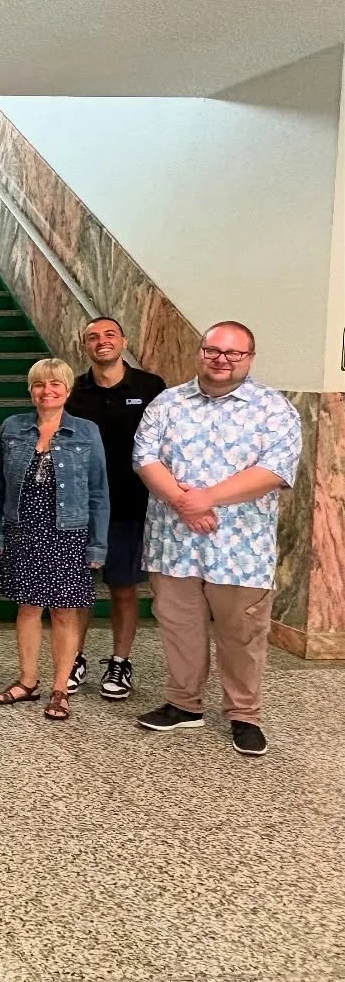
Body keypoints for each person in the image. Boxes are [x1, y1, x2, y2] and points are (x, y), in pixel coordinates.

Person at [132, 321, 302, 757]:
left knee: (241, 633)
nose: (221, 360)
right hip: (173, 543)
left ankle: (244, 715)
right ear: (200, 352)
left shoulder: (274, 408)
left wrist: (204, 498)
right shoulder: (167, 403)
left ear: (249, 357)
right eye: (213, 351)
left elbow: (275, 471)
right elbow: (145, 456)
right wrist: (181, 501)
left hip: (240, 549)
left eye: (233, 353)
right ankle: (183, 703)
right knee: (179, 629)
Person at [0, 359, 109, 721]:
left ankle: (60, 688)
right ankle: (27, 681)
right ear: (31, 390)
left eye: (55, 384)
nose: (47, 390)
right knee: (27, 608)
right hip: (23, 529)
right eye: (39, 384)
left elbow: (99, 491)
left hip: (68, 533)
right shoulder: (13, 427)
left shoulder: (86, 431)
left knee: (64, 611)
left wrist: (97, 544)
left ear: (68, 390)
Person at [63, 316, 166, 700]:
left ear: (123, 340)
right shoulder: (73, 391)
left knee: (123, 588)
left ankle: (120, 663)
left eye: (109, 335)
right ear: (84, 345)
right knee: (77, 590)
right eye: (92, 337)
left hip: (129, 506)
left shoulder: (151, 387)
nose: (101, 342)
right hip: (80, 508)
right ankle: (73, 657)